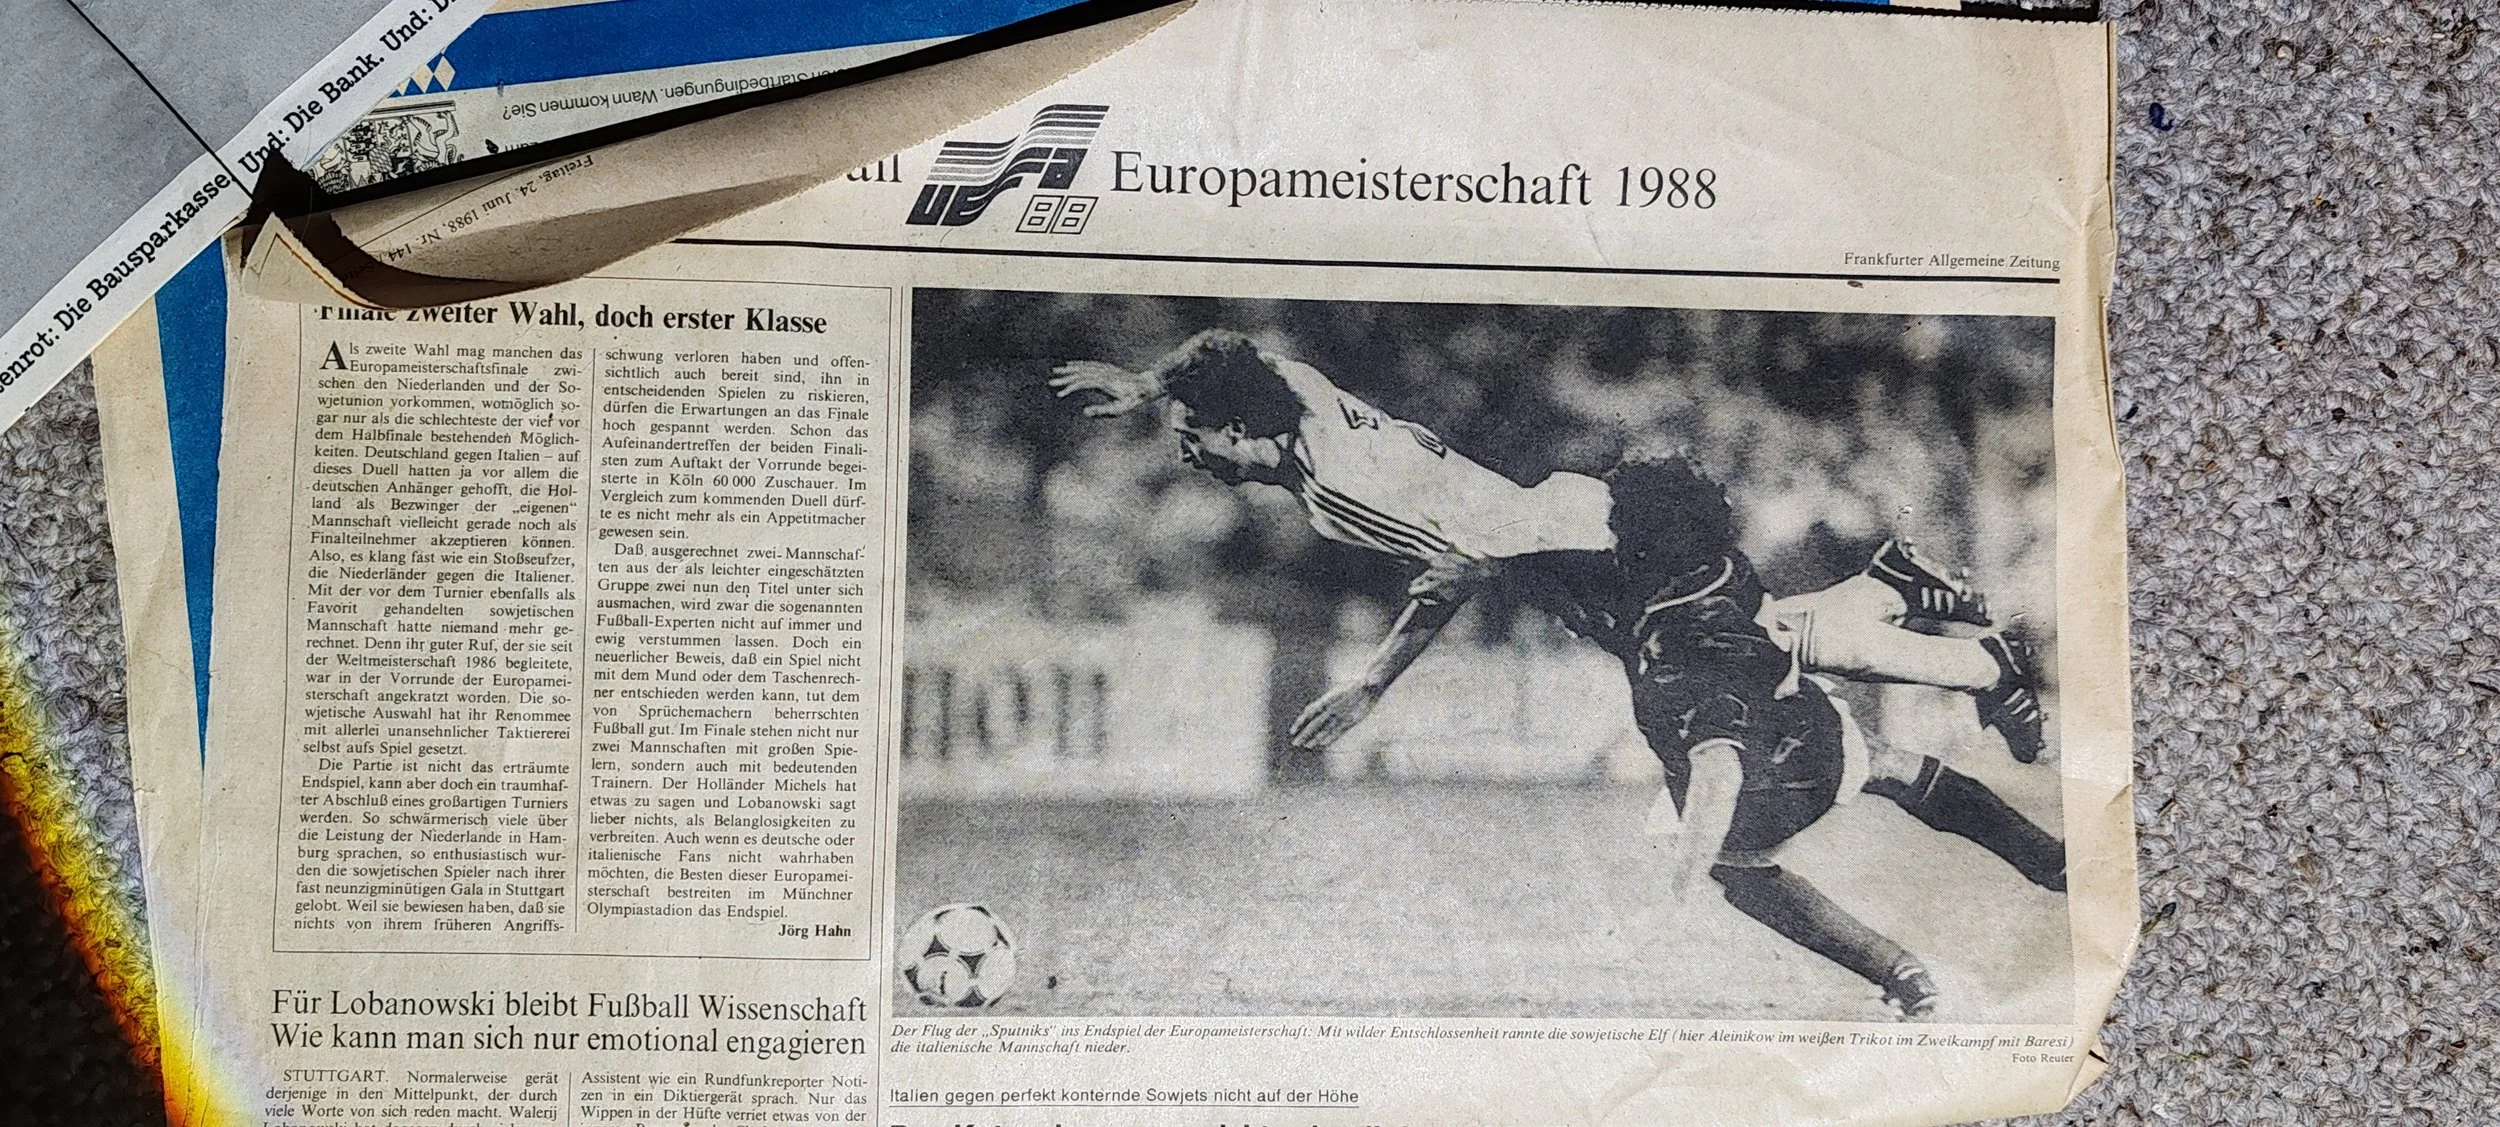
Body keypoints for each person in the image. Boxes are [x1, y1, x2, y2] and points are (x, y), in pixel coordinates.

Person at [1050, 328, 2048, 762]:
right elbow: (1242, 356)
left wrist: (1373, 683)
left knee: (1765, 654)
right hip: (1580, 525)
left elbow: (1461, 565)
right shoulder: (1298, 394)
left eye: (1192, 435)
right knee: (1772, 643)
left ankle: (1948, 637)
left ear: (1235, 430)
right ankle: (1942, 630)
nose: (1188, 453)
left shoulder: (1335, 487)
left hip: (1598, 553)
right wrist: (1150, 386)